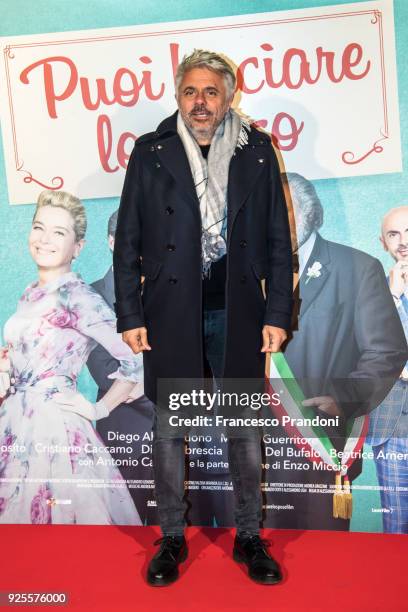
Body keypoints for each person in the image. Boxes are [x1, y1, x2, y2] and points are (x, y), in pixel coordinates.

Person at [113, 49, 293, 586]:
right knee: (169, 431)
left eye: (211, 91)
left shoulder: (256, 151)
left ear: (229, 96)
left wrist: (278, 311)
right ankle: (170, 537)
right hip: (170, 312)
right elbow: (127, 243)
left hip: (238, 310)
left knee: (243, 430)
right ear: (178, 96)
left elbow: (280, 244)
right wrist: (129, 312)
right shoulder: (150, 152)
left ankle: (248, 537)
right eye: (191, 91)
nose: (200, 102)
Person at [264, 173, 408, 530]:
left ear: (308, 214)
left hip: (321, 440)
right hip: (257, 443)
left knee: (321, 560)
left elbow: (386, 351)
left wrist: (342, 397)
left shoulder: (358, 269)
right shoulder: (247, 272)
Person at [0, 190, 144, 525]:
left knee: (58, 529)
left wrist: (98, 408)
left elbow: (134, 359)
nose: (45, 239)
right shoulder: (30, 291)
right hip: (13, 419)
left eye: (59, 232)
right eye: (39, 228)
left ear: (77, 247)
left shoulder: (79, 297)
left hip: (52, 428)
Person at [87, 209, 156, 525]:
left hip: (176, 428)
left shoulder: (171, 291)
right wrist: (154, 383)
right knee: (129, 535)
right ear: (112, 242)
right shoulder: (90, 298)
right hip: (126, 431)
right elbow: (105, 370)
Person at [366, 206, 408, 533]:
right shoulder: (372, 293)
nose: (403, 242)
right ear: (383, 243)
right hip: (392, 429)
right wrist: (392, 296)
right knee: (395, 526)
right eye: (394, 234)